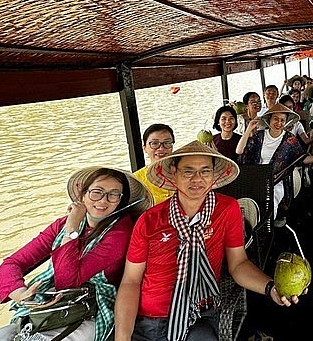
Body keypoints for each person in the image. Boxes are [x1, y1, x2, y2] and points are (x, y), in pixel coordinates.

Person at [115, 141, 299, 341]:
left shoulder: (227, 209)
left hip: (199, 313)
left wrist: (271, 288)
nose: (197, 179)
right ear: (174, 173)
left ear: (214, 175)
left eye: (205, 171)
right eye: (188, 171)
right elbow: (131, 281)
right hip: (150, 319)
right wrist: (122, 336)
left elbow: (238, 264)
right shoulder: (149, 220)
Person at [0, 167, 153, 341]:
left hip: (95, 307)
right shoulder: (61, 225)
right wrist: (21, 295)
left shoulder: (121, 233)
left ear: (121, 201)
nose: (103, 201)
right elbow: (11, 264)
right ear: (82, 194)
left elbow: (67, 280)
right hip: (53, 303)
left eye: (113, 195)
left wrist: (72, 226)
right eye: (97, 192)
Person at [236, 103, 313, 221]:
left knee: (270, 203)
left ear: (286, 122)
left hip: (278, 179)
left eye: (282, 120)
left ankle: (267, 229)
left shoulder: (290, 140)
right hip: (258, 177)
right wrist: (248, 130)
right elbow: (239, 150)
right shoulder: (259, 136)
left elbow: (303, 158)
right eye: (275, 119)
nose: (278, 123)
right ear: (269, 119)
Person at [134, 124, 175, 205]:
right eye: (154, 143)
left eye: (167, 142)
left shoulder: (184, 173)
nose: (161, 148)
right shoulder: (137, 180)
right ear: (144, 148)